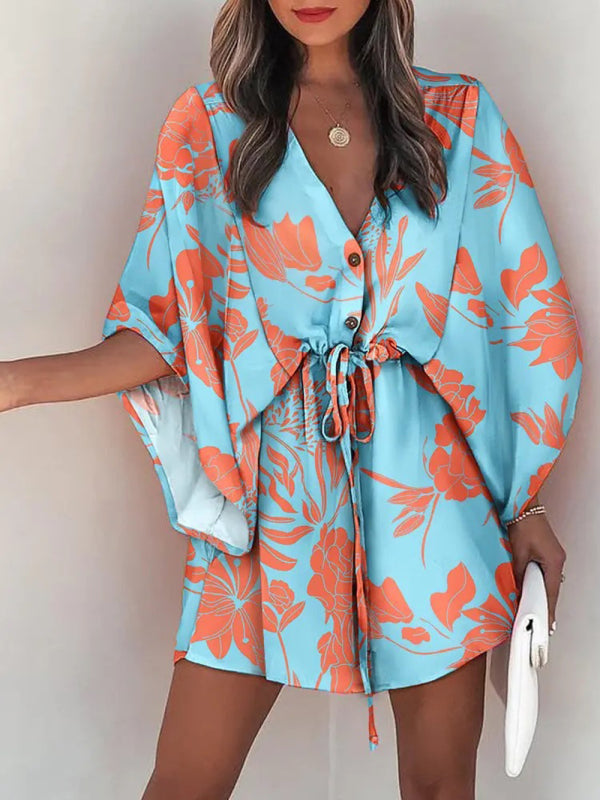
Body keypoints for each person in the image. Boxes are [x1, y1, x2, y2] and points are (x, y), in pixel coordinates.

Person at [1, 1, 584, 798]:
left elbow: (524, 318)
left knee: (441, 787)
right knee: (185, 783)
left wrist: (526, 503)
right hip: (270, 500)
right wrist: (16, 383)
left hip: (432, 503)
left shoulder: (459, 118)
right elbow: (170, 327)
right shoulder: (209, 128)